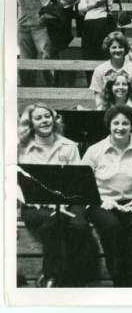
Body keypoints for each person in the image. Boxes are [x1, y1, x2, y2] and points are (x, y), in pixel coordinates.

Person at [17, 103, 96, 287]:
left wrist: (61, 202)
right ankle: (54, 276)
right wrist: (40, 201)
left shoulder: (69, 146)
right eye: (38, 118)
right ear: (31, 123)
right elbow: (15, 183)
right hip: (34, 204)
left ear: (54, 118)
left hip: (68, 200)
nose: (44, 121)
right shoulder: (21, 148)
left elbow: (77, 181)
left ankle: (55, 275)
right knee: (55, 221)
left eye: (47, 116)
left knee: (79, 225)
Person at [83, 105, 132, 287]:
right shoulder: (94, 151)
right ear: (109, 125)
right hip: (100, 201)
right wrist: (103, 200)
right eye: (116, 123)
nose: (120, 127)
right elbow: (83, 184)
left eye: (125, 123)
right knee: (112, 226)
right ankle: (120, 278)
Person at [18, 0, 74, 86]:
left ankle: (49, 91)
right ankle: (28, 93)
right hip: (22, 27)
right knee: (25, 63)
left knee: (46, 60)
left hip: (41, 27)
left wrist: (52, 13)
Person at [90, 31, 132, 109]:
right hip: (107, 109)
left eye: (120, 47)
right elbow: (98, 96)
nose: (117, 50)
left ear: (125, 48)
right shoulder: (99, 70)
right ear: (108, 49)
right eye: (114, 47)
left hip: (129, 110)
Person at [100, 72, 132, 139]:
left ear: (128, 87)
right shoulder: (105, 106)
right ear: (111, 87)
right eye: (116, 84)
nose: (121, 87)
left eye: (124, 84)